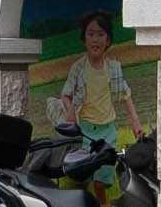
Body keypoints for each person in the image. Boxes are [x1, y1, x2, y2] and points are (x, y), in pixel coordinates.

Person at [48, 12, 140, 149]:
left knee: (107, 169)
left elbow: (126, 95)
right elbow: (65, 95)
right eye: (90, 34)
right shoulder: (78, 68)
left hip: (109, 131)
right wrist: (71, 114)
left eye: (100, 34)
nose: (95, 39)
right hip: (85, 132)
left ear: (108, 40)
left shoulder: (114, 68)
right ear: (84, 39)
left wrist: (135, 123)